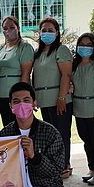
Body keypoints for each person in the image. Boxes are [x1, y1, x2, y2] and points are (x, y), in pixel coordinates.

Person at [0, 82, 74, 187]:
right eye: (16, 101)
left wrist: (34, 156)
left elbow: (56, 170)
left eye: (26, 100)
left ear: (34, 104)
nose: (21, 105)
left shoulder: (50, 132)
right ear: (10, 105)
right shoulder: (4, 135)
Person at [32, 17, 73, 176]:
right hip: (45, 100)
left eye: (50, 30)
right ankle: (53, 165)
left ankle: (64, 165)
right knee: (50, 135)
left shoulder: (61, 50)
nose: (47, 33)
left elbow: (66, 75)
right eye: (44, 30)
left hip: (59, 100)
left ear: (57, 33)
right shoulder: (38, 53)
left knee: (62, 134)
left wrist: (61, 98)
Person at [72, 33, 94, 185]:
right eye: (82, 44)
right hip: (79, 108)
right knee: (86, 140)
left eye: (88, 45)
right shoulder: (74, 65)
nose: (85, 48)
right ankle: (92, 169)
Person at [0, 16, 34, 127]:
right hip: (2, 95)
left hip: (16, 96)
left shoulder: (24, 47)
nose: (8, 31)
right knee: (7, 126)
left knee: (19, 125)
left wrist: (21, 94)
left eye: (12, 27)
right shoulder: (1, 48)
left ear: (18, 28)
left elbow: (26, 73)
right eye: (5, 28)